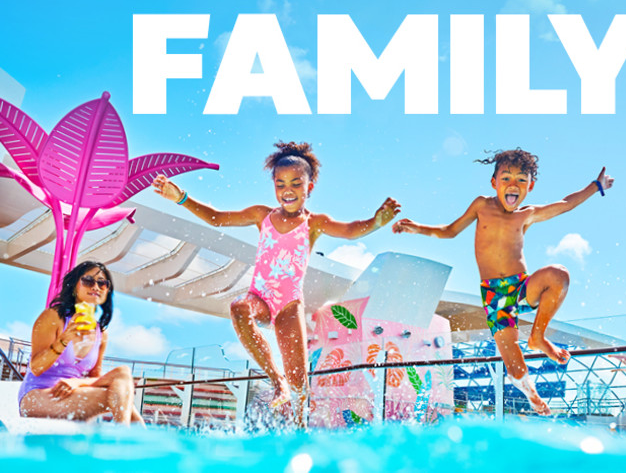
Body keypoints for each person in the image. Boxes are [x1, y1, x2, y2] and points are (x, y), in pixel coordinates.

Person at [153, 141, 400, 427]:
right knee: (239, 308)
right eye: (280, 183)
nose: (287, 190)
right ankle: (275, 380)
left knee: (299, 382)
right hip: (259, 296)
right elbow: (217, 218)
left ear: (310, 187)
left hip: (289, 306)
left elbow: (349, 230)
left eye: (296, 183)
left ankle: (299, 426)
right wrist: (180, 197)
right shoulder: (263, 216)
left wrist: (376, 222)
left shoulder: (314, 223)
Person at [393, 148, 613, 415]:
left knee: (559, 274)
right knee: (515, 365)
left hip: (521, 287)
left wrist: (596, 186)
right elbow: (449, 231)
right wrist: (416, 227)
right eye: (506, 178)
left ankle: (538, 337)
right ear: (494, 182)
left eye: (521, 180)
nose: (513, 185)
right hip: (494, 295)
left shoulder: (527, 214)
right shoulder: (482, 206)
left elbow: (566, 203)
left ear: (530, 186)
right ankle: (531, 394)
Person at [18, 261, 144, 425]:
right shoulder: (52, 318)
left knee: (123, 373)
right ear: (74, 286)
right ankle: (123, 439)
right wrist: (64, 339)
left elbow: (96, 379)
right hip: (37, 395)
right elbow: (36, 367)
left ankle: (128, 438)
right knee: (116, 396)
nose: (96, 287)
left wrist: (75, 382)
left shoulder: (101, 334)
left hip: (75, 394)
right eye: (88, 280)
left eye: (102, 283)